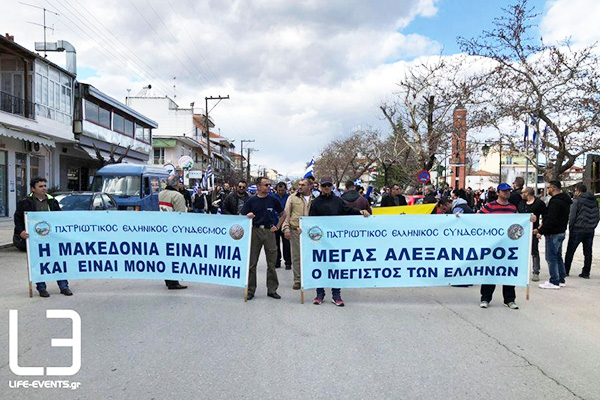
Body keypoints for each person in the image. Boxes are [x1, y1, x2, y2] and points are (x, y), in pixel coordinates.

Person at [309, 176, 370, 307]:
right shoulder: (315, 203)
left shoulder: (338, 201)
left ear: (332, 186)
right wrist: (303, 230)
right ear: (320, 187)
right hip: (320, 240)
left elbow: (348, 211)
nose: (326, 188)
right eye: (324, 185)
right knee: (320, 266)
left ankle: (336, 294)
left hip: (335, 240)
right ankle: (320, 294)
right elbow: (310, 221)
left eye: (328, 185)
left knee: (335, 267)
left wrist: (360, 212)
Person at [13, 177, 72, 298]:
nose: (44, 188)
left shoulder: (52, 201)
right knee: (38, 262)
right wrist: (21, 231)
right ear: (33, 188)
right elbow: (18, 218)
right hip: (35, 238)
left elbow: (59, 218)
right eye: (40, 186)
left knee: (58, 261)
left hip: (52, 237)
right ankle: (41, 288)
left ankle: (63, 286)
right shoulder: (25, 201)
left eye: (45, 186)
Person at [241, 177, 285, 300]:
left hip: (269, 231)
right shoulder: (251, 200)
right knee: (252, 263)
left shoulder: (273, 200)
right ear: (258, 186)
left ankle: (272, 289)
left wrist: (278, 226)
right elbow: (242, 215)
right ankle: (250, 290)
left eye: (269, 185)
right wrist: (248, 216)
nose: (268, 187)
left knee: (271, 263)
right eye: (266, 185)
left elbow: (283, 214)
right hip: (255, 231)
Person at [479, 183, 520, 310]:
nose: (507, 193)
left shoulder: (513, 208)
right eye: (504, 191)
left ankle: (509, 299)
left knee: (508, 272)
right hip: (493, 245)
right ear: (498, 193)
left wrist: (530, 219)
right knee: (490, 271)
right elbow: (477, 219)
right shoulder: (490, 206)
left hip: (508, 246)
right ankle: (485, 298)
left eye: (508, 191)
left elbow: (519, 223)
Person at [535, 180, 572, 290]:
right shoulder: (565, 200)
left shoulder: (555, 202)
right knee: (558, 256)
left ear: (554, 188)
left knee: (551, 257)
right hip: (561, 231)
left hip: (553, 233)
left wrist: (541, 231)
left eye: (549, 188)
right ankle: (561, 279)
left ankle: (554, 281)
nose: (548, 190)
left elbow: (551, 219)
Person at [282, 179, 314, 290]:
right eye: (299, 185)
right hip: (295, 229)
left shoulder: (314, 199)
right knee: (296, 255)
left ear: (310, 186)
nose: (300, 187)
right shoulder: (292, 198)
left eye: (303, 185)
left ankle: (310, 277)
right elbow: (286, 213)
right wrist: (286, 228)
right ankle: (297, 279)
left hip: (310, 232)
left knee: (310, 255)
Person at [159, 175, 188, 290]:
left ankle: (168, 279)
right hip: (174, 231)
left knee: (166, 255)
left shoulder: (161, 194)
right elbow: (181, 215)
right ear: (176, 184)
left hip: (163, 228)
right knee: (174, 256)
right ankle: (173, 281)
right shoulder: (177, 196)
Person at [564, 183, 599, 279]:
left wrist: (571, 227)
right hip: (590, 229)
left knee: (570, 251)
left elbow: (572, 216)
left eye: (575, 191)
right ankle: (586, 272)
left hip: (578, 229)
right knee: (588, 252)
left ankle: (566, 270)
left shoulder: (576, 201)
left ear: (578, 191)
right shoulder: (594, 201)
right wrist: (593, 225)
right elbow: (597, 215)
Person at [517, 187, 547, 282]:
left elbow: (545, 217)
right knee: (522, 251)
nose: (521, 195)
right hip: (522, 231)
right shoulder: (521, 203)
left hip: (533, 230)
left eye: (522, 193)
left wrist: (539, 230)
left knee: (534, 251)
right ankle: (522, 271)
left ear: (527, 193)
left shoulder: (539, 203)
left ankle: (536, 271)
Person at [271, 182, 291, 269]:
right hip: (275, 223)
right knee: (275, 244)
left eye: (282, 190)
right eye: (279, 190)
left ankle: (288, 262)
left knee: (286, 244)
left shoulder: (289, 197)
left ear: (285, 189)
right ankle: (277, 261)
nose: (280, 192)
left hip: (285, 223)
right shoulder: (272, 197)